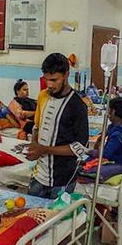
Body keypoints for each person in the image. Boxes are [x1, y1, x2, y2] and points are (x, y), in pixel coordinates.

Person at [26, 52, 89, 199]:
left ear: (66, 74)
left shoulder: (77, 105)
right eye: (46, 79)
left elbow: (81, 147)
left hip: (63, 180)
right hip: (39, 176)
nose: (49, 85)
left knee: (57, 214)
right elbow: (37, 126)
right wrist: (34, 144)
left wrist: (44, 149)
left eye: (54, 80)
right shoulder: (43, 96)